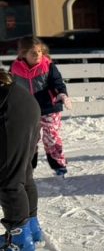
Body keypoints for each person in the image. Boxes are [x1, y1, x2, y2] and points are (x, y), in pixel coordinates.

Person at [10, 36, 71, 176]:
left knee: (51, 137)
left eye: (39, 51)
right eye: (33, 52)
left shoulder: (48, 66)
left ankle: (58, 165)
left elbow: (58, 83)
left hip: (49, 107)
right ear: (23, 53)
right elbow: (11, 87)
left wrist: (62, 94)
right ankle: (28, 166)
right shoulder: (15, 68)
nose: (37, 55)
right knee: (29, 138)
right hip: (27, 109)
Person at [0, 68, 42, 251]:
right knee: (23, 173)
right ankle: (31, 230)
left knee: (8, 179)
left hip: (12, 109)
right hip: (25, 104)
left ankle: (20, 243)